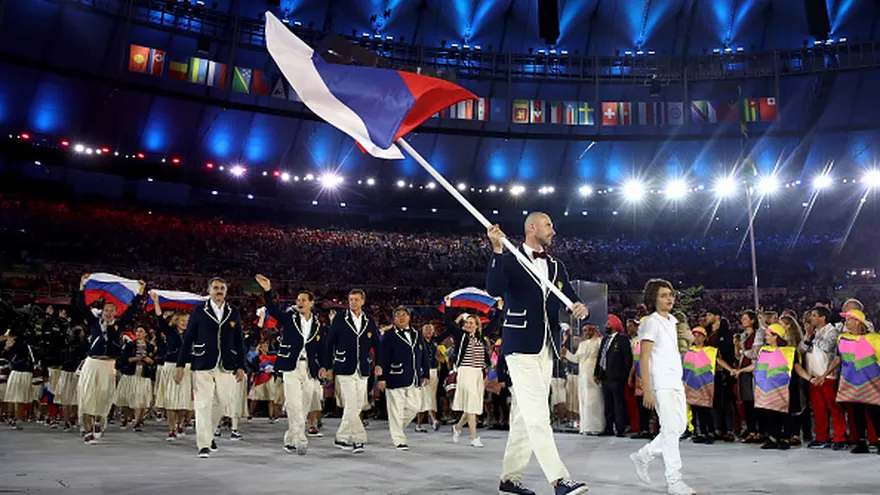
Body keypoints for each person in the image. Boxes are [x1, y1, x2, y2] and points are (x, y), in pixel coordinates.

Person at [486, 212, 590, 495]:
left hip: (547, 347)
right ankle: (559, 480)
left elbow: (567, 294)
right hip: (519, 346)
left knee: (523, 413)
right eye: (548, 225)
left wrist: (579, 305)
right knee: (537, 413)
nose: (553, 231)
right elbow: (493, 289)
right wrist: (496, 249)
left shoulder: (555, 266)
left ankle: (509, 478)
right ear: (532, 228)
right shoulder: (509, 256)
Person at [629, 278, 694, 495]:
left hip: (676, 380)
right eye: (664, 295)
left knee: (679, 427)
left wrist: (690, 339)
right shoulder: (650, 322)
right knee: (669, 430)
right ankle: (674, 480)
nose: (669, 299)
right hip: (661, 383)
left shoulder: (674, 321)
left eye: (671, 295)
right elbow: (644, 357)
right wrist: (647, 388)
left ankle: (643, 455)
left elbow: (678, 351)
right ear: (653, 299)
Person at [175, 277, 246, 459]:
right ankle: (203, 444)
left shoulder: (233, 312)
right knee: (202, 404)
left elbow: (239, 341)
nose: (219, 290)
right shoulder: (199, 311)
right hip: (203, 363)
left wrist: (241, 366)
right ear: (209, 290)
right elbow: (188, 339)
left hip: (227, 363)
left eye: (222, 288)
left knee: (222, 403)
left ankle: (210, 432)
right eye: (216, 288)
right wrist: (180, 365)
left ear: (226, 291)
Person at [255, 275, 324, 455]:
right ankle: (300, 438)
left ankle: (291, 438)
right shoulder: (289, 317)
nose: (299, 302)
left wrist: (324, 366)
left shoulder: (317, 323)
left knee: (305, 404)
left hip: (309, 368)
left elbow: (320, 348)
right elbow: (272, 308)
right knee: (293, 404)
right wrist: (268, 290)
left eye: (303, 300)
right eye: (298, 300)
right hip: (290, 366)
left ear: (311, 303)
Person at [76, 274, 144, 444]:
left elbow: (132, 310)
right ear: (102, 311)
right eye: (106, 310)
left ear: (116, 312)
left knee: (105, 396)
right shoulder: (93, 322)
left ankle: (99, 422)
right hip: (93, 363)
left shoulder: (119, 325)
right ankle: (87, 430)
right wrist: (81, 286)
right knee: (88, 395)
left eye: (112, 310)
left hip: (108, 364)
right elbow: (81, 306)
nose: (109, 313)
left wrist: (141, 292)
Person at [322, 289, 379, 454]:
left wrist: (379, 363)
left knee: (358, 404)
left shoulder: (369, 320)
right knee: (352, 403)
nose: (352, 302)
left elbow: (376, 343)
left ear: (363, 301)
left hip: (363, 368)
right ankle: (359, 439)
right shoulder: (340, 318)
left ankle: (342, 437)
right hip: (344, 366)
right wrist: (327, 366)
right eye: (350, 299)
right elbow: (330, 342)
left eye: (355, 300)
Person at [439, 304, 492, 448]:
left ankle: (457, 427)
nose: (468, 325)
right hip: (465, 371)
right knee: (472, 405)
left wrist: (499, 310)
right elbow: (449, 324)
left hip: (478, 373)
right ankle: (474, 437)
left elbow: (494, 324)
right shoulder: (461, 336)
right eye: (466, 322)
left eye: (471, 323)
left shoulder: (481, 338)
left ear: (477, 325)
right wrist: (449, 307)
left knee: (472, 406)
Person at [377, 306, 430, 450]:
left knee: (415, 406)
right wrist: (381, 377)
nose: (401, 317)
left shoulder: (417, 334)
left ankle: (397, 428)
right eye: (398, 315)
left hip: (414, 377)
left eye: (404, 315)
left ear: (409, 317)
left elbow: (423, 354)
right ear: (394, 319)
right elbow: (382, 357)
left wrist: (426, 373)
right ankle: (399, 439)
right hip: (395, 376)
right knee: (396, 409)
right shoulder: (389, 335)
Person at [149, 292, 193, 441]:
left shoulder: (192, 334)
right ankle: (171, 429)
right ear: (176, 320)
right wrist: (156, 302)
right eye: (182, 320)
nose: (184, 323)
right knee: (171, 400)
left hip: (187, 368)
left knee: (182, 401)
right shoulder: (169, 331)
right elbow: (159, 319)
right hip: (170, 367)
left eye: (187, 320)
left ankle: (180, 423)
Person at [835, 309, 880, 454]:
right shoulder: (842, 338)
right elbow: (838, 359)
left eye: (848, 319)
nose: (846, 322)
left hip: (872, 381)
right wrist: (825, 374)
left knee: (875, 412)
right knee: (857, 413)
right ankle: (861, 442)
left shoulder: (874, 339)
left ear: (857, 321)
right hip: (852, 382)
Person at [801, 305, 846, 450]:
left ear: (823, 317)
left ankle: (839, 437)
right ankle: (821, 437)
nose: (811, 318)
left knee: (834, 407)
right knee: (818, 408)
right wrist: (808, 337)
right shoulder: (811, 332)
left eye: (814, 315)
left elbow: (827, 346)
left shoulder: (832, 331)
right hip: (813, 375)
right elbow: (801, 349)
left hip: (828, 375)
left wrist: (812, 337)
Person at [562, 323, 604, 435]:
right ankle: (585, 427)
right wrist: (567, 354)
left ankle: (596, 427)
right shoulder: (582, 344)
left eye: (590, 330)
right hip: (583, 376)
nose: (587, 333)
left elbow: (603, 358)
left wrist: (599, 374)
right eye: (585, 330)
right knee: (584, 401)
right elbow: (576, 359)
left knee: (594, 401)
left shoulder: (599, 342)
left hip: (594, 375)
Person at [594, 314, 632, 437]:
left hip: (617, 378)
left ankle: (620, 428)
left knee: (618, 404)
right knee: (608, 404)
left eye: (608, 323)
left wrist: (624, 376)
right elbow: (600, 357)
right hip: (605, 376)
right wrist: (597, 373)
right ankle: (608, 428)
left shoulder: (622, 340)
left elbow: (627, 359)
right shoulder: (605, 340)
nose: (606, 325)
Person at [115, 326, 157, 431]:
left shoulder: (150, 346)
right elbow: (123, 360)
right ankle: (126, 418)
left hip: (143, 373)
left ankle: (138, 422)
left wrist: (149, 361)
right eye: (137, 331)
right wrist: (135, 359)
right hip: (131, 372)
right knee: (127, 397)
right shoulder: (129, 345)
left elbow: (154, 361)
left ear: (146, 334)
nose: (138, 333)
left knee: (141, 398)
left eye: (141, 331)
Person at [704, 308, 736, 442]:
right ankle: (717, 429)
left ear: (717, 316)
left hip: (723, 370)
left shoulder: (726, 333)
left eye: (709, 314)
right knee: (714, 401)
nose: (707, 317)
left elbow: (729, 352)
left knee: (727, 401)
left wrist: (728, 369)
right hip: (709, 371)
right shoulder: (707, 333)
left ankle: (729, 430)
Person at [683, 327, 716, 444]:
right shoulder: (688, 351)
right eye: (695, 335)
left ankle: (710, 432)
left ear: (704, 337)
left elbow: (718, 361)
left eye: (699, 335)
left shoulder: (710, 351)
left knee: (705, 409)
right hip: (692, 385)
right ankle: (701, 432)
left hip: (705, 384)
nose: (696, 338)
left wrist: (732, 370)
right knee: (695, 409)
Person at [2, 331, 34, 430]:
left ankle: (16, 418)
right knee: (14, 397)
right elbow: (5, 356)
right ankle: (13, 417)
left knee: (18, 398)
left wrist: (9, 347)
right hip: (17, 372)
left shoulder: (22, 345)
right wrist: (7, 348)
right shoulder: (14, 345)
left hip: (21, 372)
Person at [415, 323, 441, 433]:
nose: (429, 331)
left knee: (428, 397)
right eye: (426, 329)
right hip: (423, 372)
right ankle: (434, 419)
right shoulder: (418, 342)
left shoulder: (435, 342)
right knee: (426, 395)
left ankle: (419, 424)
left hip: (434, 371)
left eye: (431, 329)